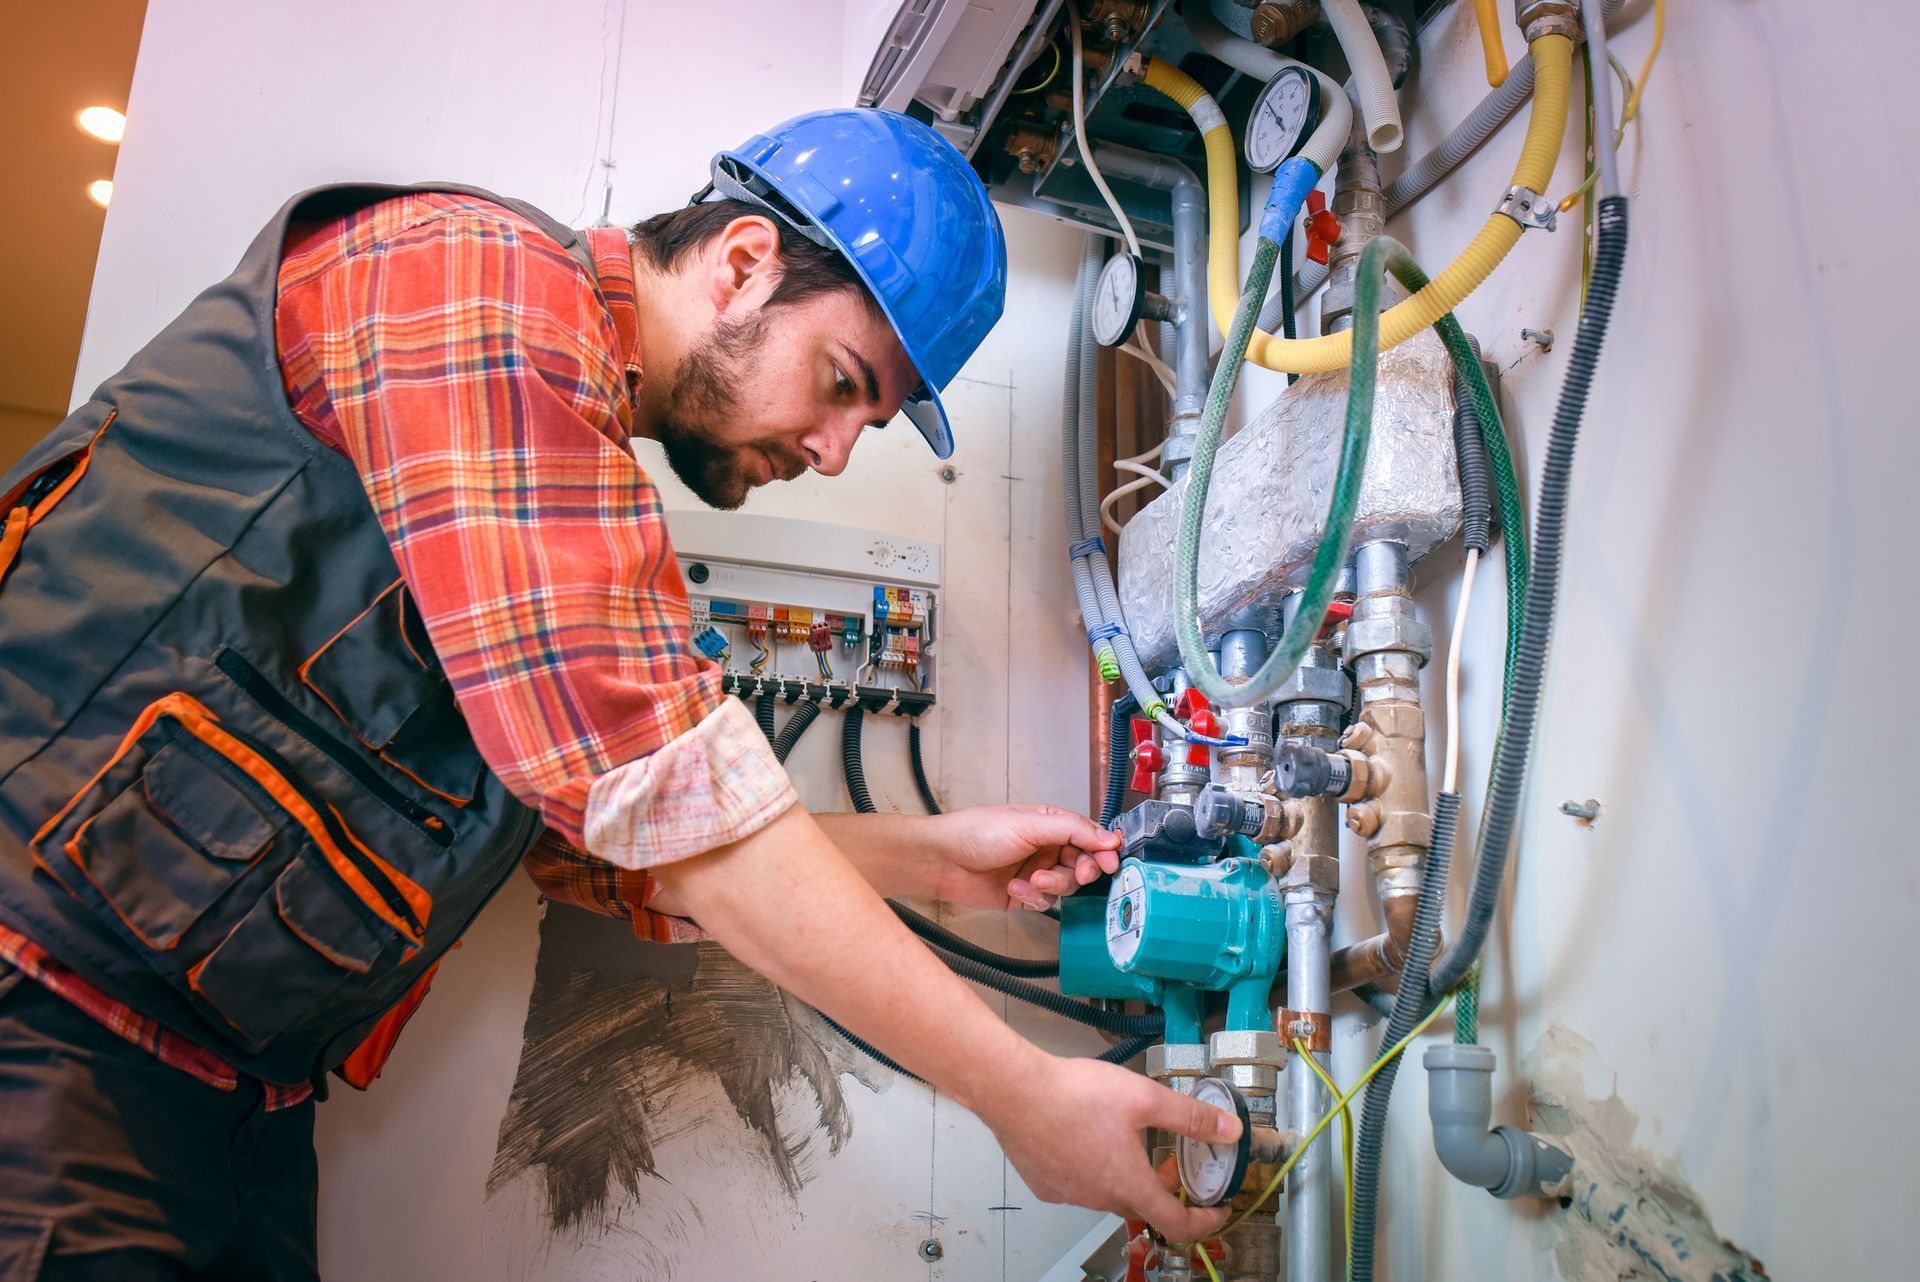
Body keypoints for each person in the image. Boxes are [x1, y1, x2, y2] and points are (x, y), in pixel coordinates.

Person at [0, 108, 1237, 1277]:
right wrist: (1025, 1096)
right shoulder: (478, 284)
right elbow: (667, 805)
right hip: (46, 1013)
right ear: (745, 264)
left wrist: (930, 856)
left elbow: (602, 848)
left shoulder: (569, 487)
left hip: (220, 1091)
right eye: (847, 382)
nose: (833, 450)